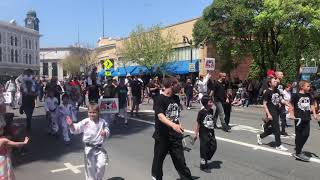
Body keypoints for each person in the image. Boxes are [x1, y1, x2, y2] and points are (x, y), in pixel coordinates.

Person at [151, 77, 193, 180]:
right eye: (177, 84)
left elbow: (176, 115)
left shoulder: (176, 98)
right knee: (158, 161)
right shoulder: (159, 98)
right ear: (171, 85)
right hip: (162, 136)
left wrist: (179, 125)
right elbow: (160, 116)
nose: (179, 86)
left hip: (175, 137)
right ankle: (156, 177)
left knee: (180, 161)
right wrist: (174, 125)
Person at [67, 103, 110, 180]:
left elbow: (107, 129)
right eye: (90, 112)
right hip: (89, 149)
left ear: (98, 112)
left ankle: (98, 178)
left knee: (102, 165)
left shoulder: (102, 122)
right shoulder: (85, 122)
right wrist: (71, 125)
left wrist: (105, 132)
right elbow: (76, 128)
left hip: (99, 148)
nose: (92, 114)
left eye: (94, 112)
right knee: (90, 168)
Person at [289, 80, 319, 161]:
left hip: (307, 117)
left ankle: (298, 149)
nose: (309, 88)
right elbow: (291, 105)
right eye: (308, 86)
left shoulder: (309, 95)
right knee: (299, 135)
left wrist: (315, 114)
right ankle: (298, 153)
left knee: (306, 134)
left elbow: (312, 104)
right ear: (302, 87)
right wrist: (291, 114)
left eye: (309, 86)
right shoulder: (296, 95)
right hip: (298, 118)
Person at [257, 77, 289, 151]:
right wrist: (268, 114)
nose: (276, 82)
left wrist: (286, 103)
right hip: (271, 112)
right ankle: (278, 145)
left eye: (276, 81)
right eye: (274, 81)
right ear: (270, 83)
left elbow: (280, 99)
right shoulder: (267, 92)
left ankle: (260, 136)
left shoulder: (277, 90)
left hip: (277, 111)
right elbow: (264, 104)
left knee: (274, 129)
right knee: (277, 129)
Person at [193, 95, 217, 173]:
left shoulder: (212, 110)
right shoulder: (201, 112)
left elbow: (211, 119)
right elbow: (198, 123)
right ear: (206, 103)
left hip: (211, 132)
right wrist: (195, 134)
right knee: (204, 149)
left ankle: (206, 158)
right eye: (210, 102)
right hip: (203, 133)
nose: (212, 103)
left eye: (212, 101)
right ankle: (203, 166)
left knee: (214, 146)